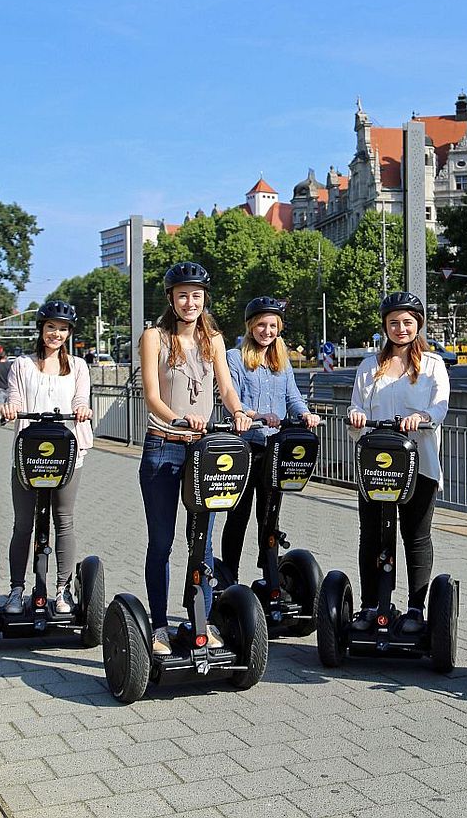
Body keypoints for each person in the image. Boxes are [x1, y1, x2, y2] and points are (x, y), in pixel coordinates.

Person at [139, 261, 252, 657]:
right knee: (162, 542)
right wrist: (179, 418)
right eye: (183, 295)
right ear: (171, 298)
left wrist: (238, 411)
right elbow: (152, 396)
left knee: (200, 543)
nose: (190, 302)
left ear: (205, 299)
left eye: (197, 295)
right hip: (164, 446)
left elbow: (225, 386)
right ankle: (157, 626)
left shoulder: (214, 340)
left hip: (201, 449)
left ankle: (198, 619)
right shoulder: (154, 337)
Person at [348, 291, 450, 634]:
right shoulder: (369, 366)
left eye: (407, 322)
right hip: (377, 464)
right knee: (372, 536)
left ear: (418, 325)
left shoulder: (433, 365)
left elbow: (440, 407)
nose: (401, 328)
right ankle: (370, 604)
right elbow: (356, 407)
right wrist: (357, 417)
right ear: (385, 327)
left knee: (415, 535)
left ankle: (415, 608)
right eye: (394, 323)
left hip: (418, 463)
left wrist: (422, 416)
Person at [3, 301, 93, 614]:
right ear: (41, 329)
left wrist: (83, 408)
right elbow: (15, 395)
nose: (56, 334)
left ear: (70, 333)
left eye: (63, 329)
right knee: (23, 524)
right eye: (51, 327)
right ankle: (17, 589)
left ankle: (62, 590)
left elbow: (81, 396)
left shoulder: (79, 366)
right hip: (29, 456)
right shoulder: (22, 364)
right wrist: (11, 407)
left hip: (68, 454)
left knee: (64, 520)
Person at [221, 297, 320, 580]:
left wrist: (306, 414)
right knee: (238, 515)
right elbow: (233, 397)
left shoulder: (282, 361)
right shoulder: (235, 358)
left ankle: (269, 575)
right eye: (262, 325)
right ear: (251, 327)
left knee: (269, 515)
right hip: (247, 445)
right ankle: (231, 577)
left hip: (275, 448)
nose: (267, 331)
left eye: (273, 326)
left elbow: (293, 397)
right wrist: (255, 414)